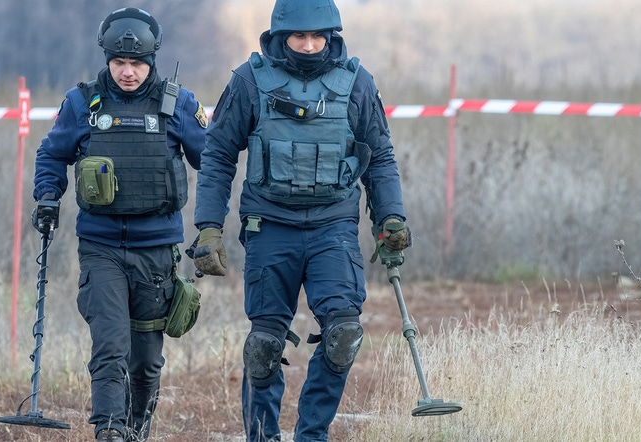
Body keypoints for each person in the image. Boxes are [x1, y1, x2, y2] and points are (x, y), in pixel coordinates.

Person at [191, 0, 411, 440]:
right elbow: (216, 156)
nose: (310, 47)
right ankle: (262, 434)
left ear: (331, 37)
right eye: (299, 38)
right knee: (264, 346)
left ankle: (311, 433)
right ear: (279, 37)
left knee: (344, 333)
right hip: (270, 227)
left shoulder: (357, 83)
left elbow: (380, 155)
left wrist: (391, 216)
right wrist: (208, 227)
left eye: (318, 38)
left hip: (334, 227)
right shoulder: (249, 82)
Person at [31, 7, 207, 441]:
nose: (128, 73)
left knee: (146, 360)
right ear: (107, 59)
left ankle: (136, 428)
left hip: (156, 250)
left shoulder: (177, 103)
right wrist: (48, 197)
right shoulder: (82, 103)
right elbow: (51, 153)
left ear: (152, 61)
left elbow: (215, 159)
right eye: (119, 63)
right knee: (111, 347)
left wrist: (211, 224)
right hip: (101, 246)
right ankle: (108, 430)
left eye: (137, 64)